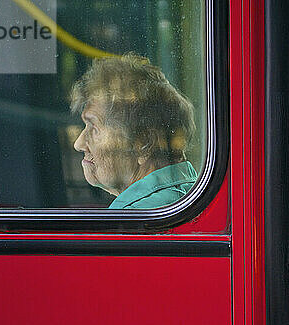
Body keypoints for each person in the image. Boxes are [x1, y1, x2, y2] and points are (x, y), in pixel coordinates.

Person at [70, 54, 197, 209]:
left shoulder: (133, 217)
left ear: (144, 144)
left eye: (94, 128)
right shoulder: (189, 193)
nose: (79, 144)